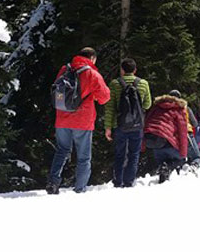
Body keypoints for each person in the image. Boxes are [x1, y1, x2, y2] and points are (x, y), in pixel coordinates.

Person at [47, 47, 110, 194]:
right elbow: (105, 97)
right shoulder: (92, 73)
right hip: (82, 120)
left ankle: (53, 182)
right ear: (92, 58)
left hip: (62, 118)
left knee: (61, 151)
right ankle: (80, 189)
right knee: (83, 157)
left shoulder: (65, 69)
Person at [104, 58, 152, 188]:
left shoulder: (115, 84)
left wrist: (108, 127)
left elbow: (110, 108)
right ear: (135, 70)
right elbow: (147, 105)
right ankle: (129, 181)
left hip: (119, 125)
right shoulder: (143, 83)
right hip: (137, 125)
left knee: (120, 153)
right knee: (134, 154)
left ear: (122, 70)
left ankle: (118, 181)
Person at [143, 94, 189, 183]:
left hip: (152, 140)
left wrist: (142, 145)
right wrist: (183, 153)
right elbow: (182, 132)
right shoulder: (178, 109)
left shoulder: (156, 108)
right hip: (166, 139)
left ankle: (162, 178)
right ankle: (166, 169)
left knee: (162, 160)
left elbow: (147, 123)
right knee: (179, 160)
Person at [168, 90, 200, 166]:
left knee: (178, 158)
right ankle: (194, 168)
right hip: (186, 134)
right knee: (196, 157)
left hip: (170, 135)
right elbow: (195, 123)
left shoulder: (165, 108)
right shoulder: (185, 107)